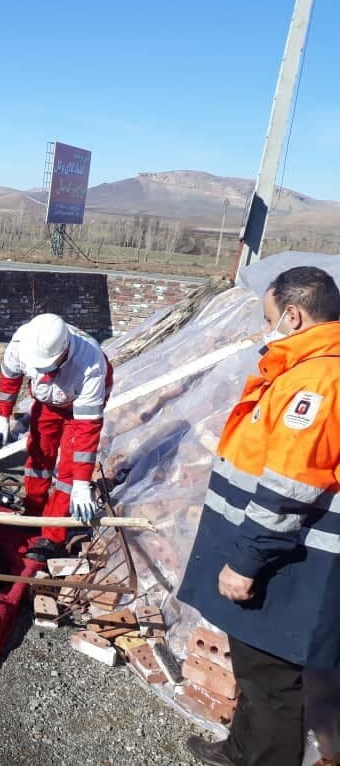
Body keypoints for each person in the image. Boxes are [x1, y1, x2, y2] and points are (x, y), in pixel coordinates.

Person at [177, 266, 340, 766]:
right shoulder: (302, 369)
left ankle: (264, 757)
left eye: (269, 318)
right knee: (252, 664)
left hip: (290, 559)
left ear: (293, 315)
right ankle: (241, 749)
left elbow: (291, 488)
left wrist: (246, 560)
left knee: (272, 679)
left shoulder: (318, 382)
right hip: (279, 552)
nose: (266, 328)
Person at [0, 313, 113, 562]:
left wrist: (81, 483)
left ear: (62, 354)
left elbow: (87, 431)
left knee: (69, 470)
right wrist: (3, 416)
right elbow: (9, 379)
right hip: (48, 401)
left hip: (78, 407)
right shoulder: (21, 343)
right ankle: (33, 511)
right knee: (38, 454)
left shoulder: (90, 366)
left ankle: (52, 535)